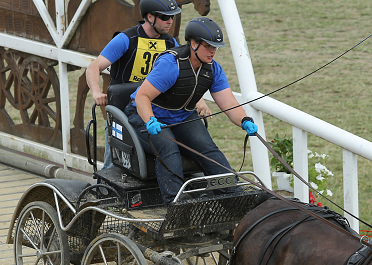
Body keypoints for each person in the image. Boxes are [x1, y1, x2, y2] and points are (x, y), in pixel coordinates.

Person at [125, 17, 258, 204]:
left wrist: (245, 120)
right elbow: (142, 98)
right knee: (168, 148)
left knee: (208, 150)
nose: (213, 51)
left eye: (215, 47)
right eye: (208, 46)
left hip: (183, 116)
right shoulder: (171, 65)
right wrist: (150, 120)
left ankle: (233, 198)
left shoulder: (214, 70)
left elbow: (228, 102)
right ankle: (176, 204)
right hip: (147, 116)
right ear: (193, 43)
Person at [85, 0, 208, 167]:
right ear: (150, 17)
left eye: (172, 17)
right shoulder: (126, 39)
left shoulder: (171, 44)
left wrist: (198, 101)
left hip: (155, 110)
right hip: (124, 110)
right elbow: (94, 66)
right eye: (165, 17)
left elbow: (186, 75)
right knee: (113, 163)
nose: (170, 21)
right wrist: (96, 92)